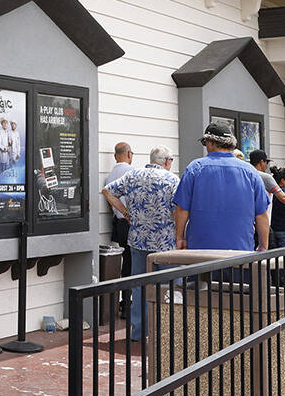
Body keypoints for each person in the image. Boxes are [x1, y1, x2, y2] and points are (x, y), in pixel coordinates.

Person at [102, 145, 178, 341]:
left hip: (137, 240)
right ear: (167, 161)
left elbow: (107, 191)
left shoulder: (132, 176)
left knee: (139, 286)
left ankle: (138, 332)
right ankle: (164, 333)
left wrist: (126, 213)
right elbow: (179, 208)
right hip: (165, 243)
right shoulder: (172, 180)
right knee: (168, 288)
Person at [173, 123, 269, 252]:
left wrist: (180, 238)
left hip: (200, 251)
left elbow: (182, 209)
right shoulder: (250, 172)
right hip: (241, 251)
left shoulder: (195, 168)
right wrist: (263, 246)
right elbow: (261, 214)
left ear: (211, 143)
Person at [101, 142, 134, 278]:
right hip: (130, 223)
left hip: (119, 223)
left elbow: (110, 204)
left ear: (115, 156)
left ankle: (125, 298)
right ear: (129, 154)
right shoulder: (132, 172)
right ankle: (130, 298)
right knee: (132, 261)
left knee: (125, 259)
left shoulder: (109, 177)